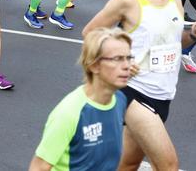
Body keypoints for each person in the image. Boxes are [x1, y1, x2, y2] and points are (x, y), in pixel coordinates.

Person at [83, 0, 196, 171]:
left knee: (128, 163)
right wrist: (115, 64)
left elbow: (174, 44)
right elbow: (90, 34)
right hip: (134, 93)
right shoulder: (128, 2)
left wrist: (193, 34)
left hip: (164, 93)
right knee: (168, 165)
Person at [29, 28, 132, 171]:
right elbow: (38, 167)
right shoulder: (69, 113)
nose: (127, 66)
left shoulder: (119, 100)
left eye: (128, 58)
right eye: (117, 59)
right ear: (94, 65)